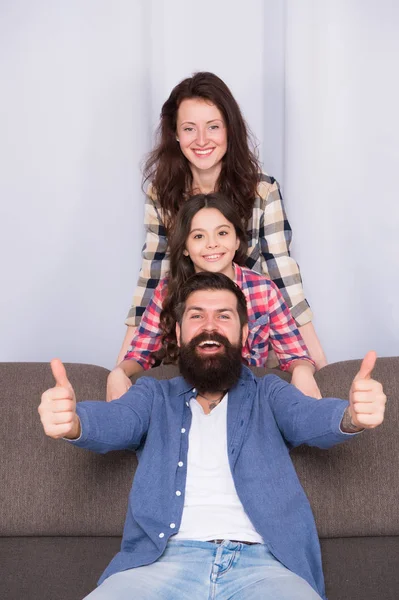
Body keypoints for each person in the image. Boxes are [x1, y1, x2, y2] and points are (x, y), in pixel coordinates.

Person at [39, 272, 386, 600]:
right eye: (196, 316)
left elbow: (309, 417)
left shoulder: (269, 394)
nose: (210, 327)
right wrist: (73, 422)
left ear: (244, 334)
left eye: (223, 316)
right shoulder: (153, 396)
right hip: (161, 565)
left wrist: (352, 415)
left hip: (265, 568)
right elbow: (115, 420)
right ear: (178, 334)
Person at [117, 71, 327, 370]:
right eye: (189, 128)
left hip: (245, 340)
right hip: (185, 342)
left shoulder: (262, 191)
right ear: (175, 134)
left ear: (230, 129)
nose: (202, 140)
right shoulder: (161, 193)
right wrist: (123, 363)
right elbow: (152, 272)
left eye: (213, 126)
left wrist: (317, 361)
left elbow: (283, 274)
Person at [107, 193, 320, 401]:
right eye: (199, 236)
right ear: (185, 248)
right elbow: (139, 355)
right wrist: (119, 372)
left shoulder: (264, 290)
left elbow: (295, 354)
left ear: (237, 241)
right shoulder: (167, 292)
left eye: (222, 233)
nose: (212, 244)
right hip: (187, 399)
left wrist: (302, 370)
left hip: (247, 399)